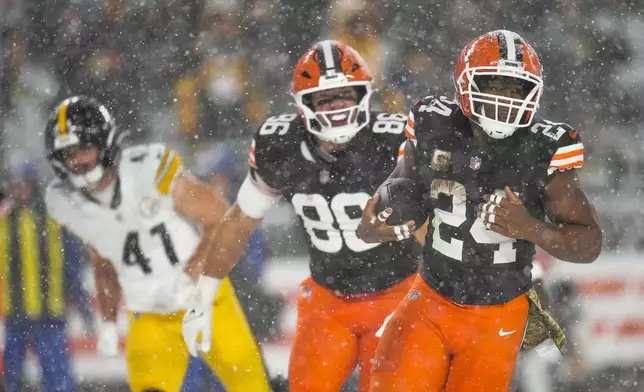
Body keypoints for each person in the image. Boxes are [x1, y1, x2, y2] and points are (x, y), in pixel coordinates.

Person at [356, 30, 602, 392]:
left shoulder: (545, 147)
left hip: (498, 313)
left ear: (532, 92)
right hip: (431, 297)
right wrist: (373, 224)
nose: (505, 98)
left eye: (516, 88)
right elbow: (397, 187)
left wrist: (532, 228)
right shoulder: (432, 123)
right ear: (465, 84)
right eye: (494, 85)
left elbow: (590, 243)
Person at [183, 40, 423, 392]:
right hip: (327, 302)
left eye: (345, 94)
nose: (338, 106)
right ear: (304, 104)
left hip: (397, 295)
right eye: (326, 98)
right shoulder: (280, 145)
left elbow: (431, 227)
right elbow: (240, 220)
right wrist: (204, 291)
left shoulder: (394, 141)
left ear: (365, 94)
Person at [43, 96, 272, 392]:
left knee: (251, 386)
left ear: (105, 142)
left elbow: (223, 220)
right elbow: (102, 257)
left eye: (83, 149)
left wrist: (192, 275)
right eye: (67, 155)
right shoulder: (66, 202)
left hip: (208, 303)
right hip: (149, 314)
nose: (76, 161)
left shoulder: (147, 171)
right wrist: (109, 321)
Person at [1, 162, 92, 392]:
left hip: (49, 310)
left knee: (57, 376)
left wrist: (79, 299)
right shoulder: (5, 220)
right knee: (12, 377)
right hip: (15, 312)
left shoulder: (52, 217)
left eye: (24, 184)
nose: (20, 190)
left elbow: (72, 261)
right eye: (15, 185)